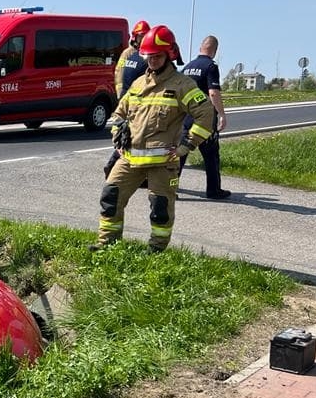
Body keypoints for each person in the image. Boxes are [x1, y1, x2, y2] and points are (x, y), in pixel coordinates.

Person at [91, 25, 215, 254]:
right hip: (129, 158)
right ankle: (107, 244)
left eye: (157, 56)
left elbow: (206, 115)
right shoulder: (139, 84)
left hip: (162, 163)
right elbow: (119, 112)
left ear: (170, 55)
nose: (152, 61)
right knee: (110, 197)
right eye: (149, 56)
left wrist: (187, 145)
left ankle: (156, 250)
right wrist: (118, 131)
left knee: (161, 209)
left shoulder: (182, 85)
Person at [180, 35, 230, 199]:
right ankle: (213, 190)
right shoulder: (210, 66)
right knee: (211, 155)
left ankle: (169, 189)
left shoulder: (188, 67)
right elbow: (213, 93)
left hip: (185, 117)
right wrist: (221, 114)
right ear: (215, 51)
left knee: (180, 153)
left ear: (200, 48)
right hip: (204, 118)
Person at [105, 20, 151, 178]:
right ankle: (113, 164)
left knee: (132, 134)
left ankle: (135, 171)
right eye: (141, 36)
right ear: (135, 37)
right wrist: (121, 96)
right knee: (130, 134)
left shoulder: (142, 53)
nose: (143, 39)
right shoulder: (129, 53)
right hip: (129, 98)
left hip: (134, 98)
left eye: (145, 36)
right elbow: (119, 73)